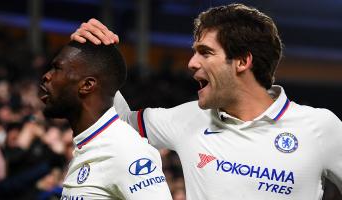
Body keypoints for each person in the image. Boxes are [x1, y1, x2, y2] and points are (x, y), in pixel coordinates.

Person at [71, 3, 342, 200]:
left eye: (205, 52)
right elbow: (117, 124)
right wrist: (93, 62)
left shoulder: (320, 127)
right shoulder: (189, 119)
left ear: (242, 61)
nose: (191, 63)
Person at [39, 41, 172, 199]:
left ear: (87, 85)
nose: (47, 76)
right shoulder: (88, 144)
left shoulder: (126, 150)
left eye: (57, 68)